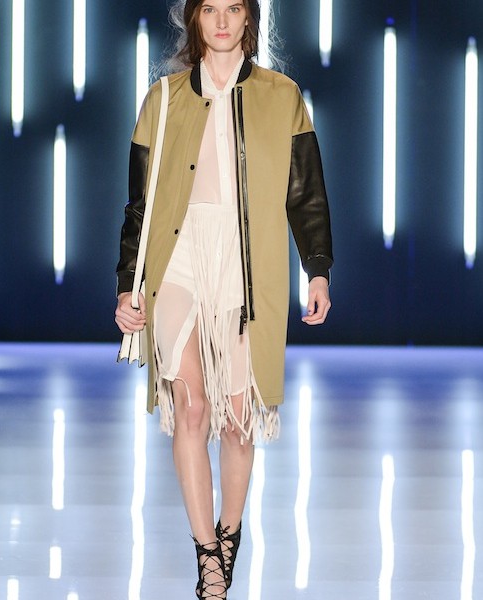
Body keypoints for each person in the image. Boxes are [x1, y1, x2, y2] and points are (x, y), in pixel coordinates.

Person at [115, 1, 333, 598]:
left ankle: (229, 535)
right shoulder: (162, 100)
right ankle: (206, 554)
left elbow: (306, 193)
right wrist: (127, 283)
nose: (220, 20)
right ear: (193, 19)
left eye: (232, 8)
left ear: (248, 19)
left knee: (238, 419)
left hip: (245, 263)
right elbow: (139, 205)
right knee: (191, 406)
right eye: (208, 8)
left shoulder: (282, 96)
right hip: (177, 257)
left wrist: (317, 269)